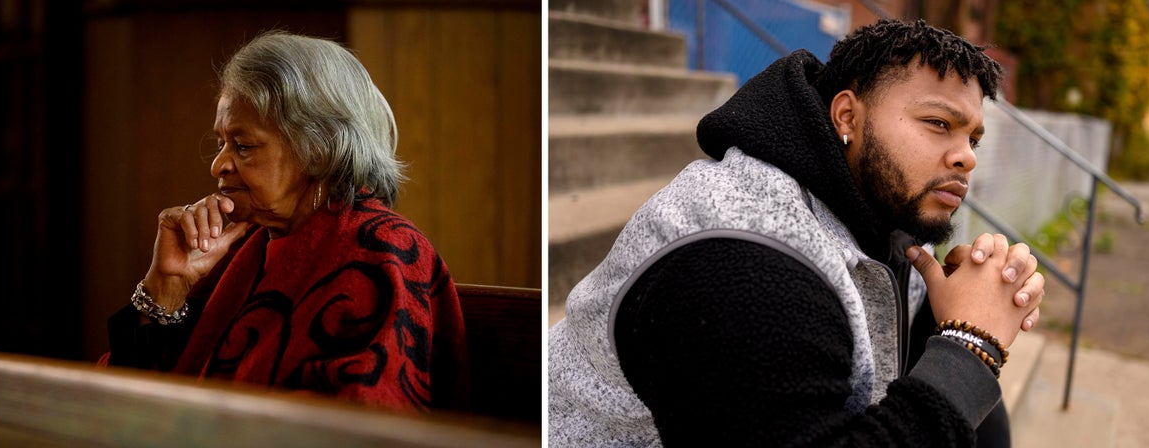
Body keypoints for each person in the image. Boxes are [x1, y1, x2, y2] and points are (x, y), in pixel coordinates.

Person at [549, 19, 1045, 446]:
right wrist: (970, 345)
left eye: (974, 137)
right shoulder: (741, 255)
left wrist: (953, 319)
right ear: (847, 116)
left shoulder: (886, 225)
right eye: (939, 123)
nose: (968, 157)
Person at [102, 31, 468, 413]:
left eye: (243, 146)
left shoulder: (383, 248)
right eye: (221, 144)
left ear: (317, 147)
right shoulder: (238, 247)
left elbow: (367, 421)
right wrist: (166, 286)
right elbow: (119, 405)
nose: (218, 165)